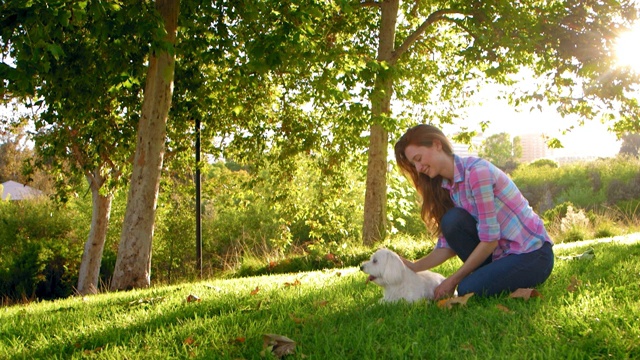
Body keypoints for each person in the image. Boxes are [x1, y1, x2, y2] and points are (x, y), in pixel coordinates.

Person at [394, 124, 554, 298]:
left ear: (437, 144)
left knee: (466, 289)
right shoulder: (448, 187)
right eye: (413, 164)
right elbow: (448, 246)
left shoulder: (477, 173)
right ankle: (486, 276)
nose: (418, 168)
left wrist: (453, 279)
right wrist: (413, 266)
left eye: (418, 158)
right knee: (451, 220)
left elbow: (490, 239)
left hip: (533, 254)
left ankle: (483, 279)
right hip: (501, 256)